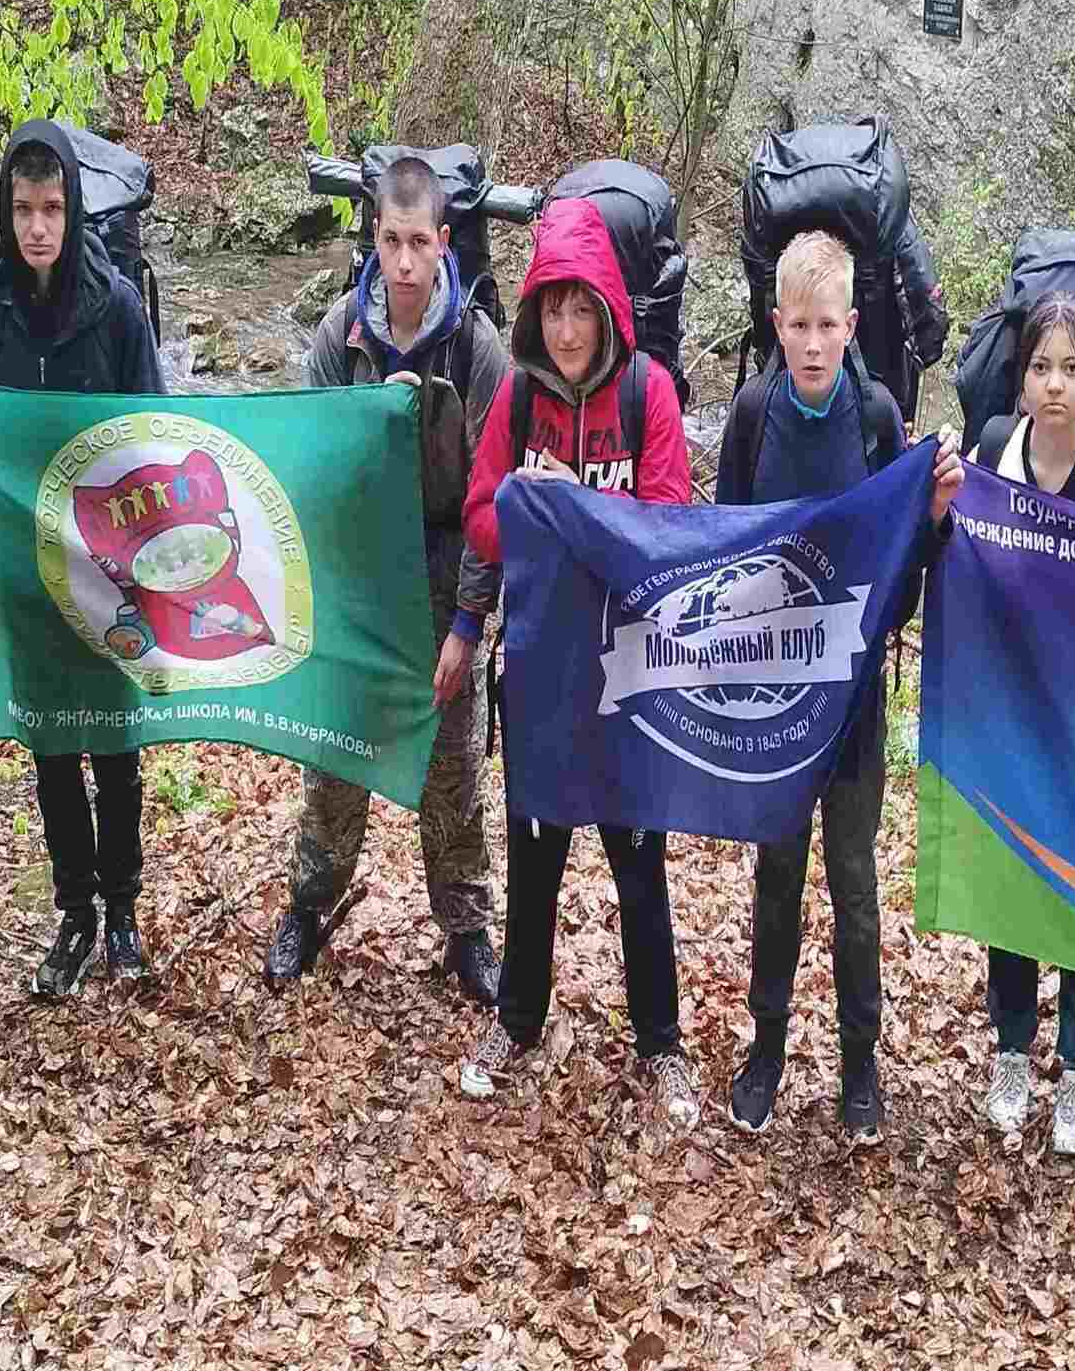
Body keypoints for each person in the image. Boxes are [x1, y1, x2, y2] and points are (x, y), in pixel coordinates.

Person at [456, 196, 698, 1123]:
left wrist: (573, 506)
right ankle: (516, 1020)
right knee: (535, 855)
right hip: (541, 666)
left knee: (638, 862)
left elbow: (667, 530)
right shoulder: (516, 399)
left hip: (628, 666)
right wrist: (526, 505)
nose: (564, 330)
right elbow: (480, 516)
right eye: (551, 310)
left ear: (606, 310)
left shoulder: (648, 394)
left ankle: (661, 1043)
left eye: (580, 310)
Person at [927, 288, 1075, 1155]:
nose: (1055, 384)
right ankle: (1009, 1052)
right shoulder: (993, 456)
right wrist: (939, 504)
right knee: (1013, 883)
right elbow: (950, 557)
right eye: (1040, 367)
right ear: (1020, 379)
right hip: (1012, 711)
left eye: (1070, 367)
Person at [268, 156, 509, 1000]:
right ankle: (308, 905)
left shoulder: (477, 346)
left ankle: (467, 928)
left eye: (420, 243)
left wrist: (468, 624)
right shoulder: (341, 336)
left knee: (453, 768)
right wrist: (374, 427)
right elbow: (311, 475)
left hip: (443, 574)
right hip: (358, 581)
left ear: (443, 242)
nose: (404, 263)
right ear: (373, 236)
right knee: (334, 759)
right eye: (391, 241)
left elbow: (491, 499)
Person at [0, 120, 166, 994]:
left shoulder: (115, 306)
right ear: (6, 213)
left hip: (109, 566)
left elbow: (154, 425)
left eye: (51, 209)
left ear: (72, 210)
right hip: (26, 566)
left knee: (113, 743)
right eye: (22, 210)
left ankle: (123, 911)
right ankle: (74, 911)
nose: (36, 227)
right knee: (50, 748)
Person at [714, 231, 916, 1144]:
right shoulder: (753, 412)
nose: (810, 342)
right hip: (774, 693)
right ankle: (765, 1050)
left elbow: (904, 564)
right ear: (775, 323)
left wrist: (933, 516)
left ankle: (859, 1062)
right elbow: (719, 545)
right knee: (777, 872)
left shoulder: (875, 417)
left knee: (853, 879)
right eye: (797, 325)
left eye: (826, 325)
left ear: (851, 325)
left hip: (855, 693)